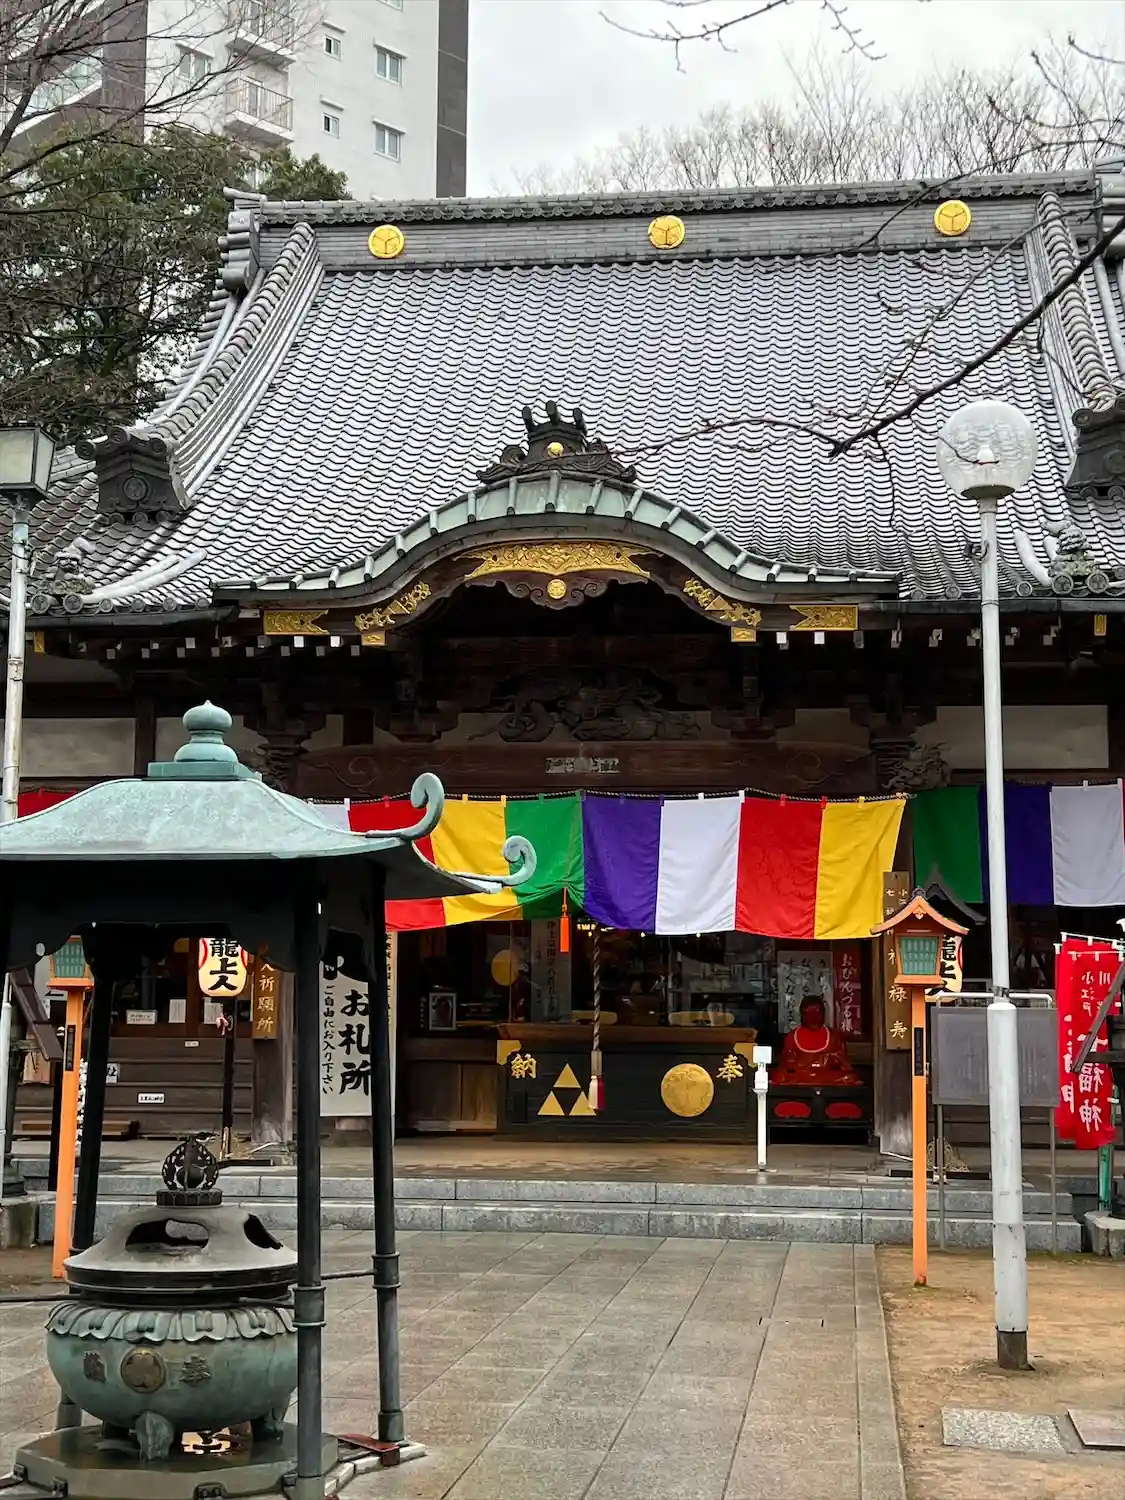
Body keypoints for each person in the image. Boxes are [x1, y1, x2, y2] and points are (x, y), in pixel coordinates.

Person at [773, 995, 861, 1086]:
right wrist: (797, 1065)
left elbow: (844, 1064)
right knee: (781, 1076)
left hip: (826, 1076)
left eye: (817, 1012)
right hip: (802, 1075)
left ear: (823, 1014)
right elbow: (787, 1063)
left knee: (849, 1077)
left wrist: (831, 1059)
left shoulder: (833, 1037)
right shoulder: (792, 1037)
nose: (813, 1017)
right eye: (808, 1013)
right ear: (801, 1014)